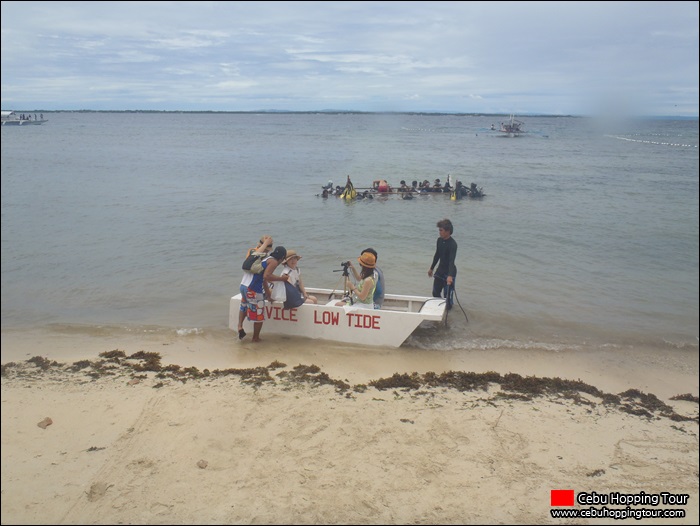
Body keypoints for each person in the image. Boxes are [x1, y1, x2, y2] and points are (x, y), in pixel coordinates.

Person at [246, 246, 288, 342]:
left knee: (256, 315)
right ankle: (255, 338)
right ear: (281, 258)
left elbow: (264, 279)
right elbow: (267, 276)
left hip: (251, 289)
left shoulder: (267, 259)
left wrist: (269, 296)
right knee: (259, 317)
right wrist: (282, 279)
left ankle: (254, 337)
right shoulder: (273, 262)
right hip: (256, 291)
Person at [237, 235, 273, 340]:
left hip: (243, 285)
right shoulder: (265, 258)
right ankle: (255, 338)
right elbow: (264, 279)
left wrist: (264, 244)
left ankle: (240, 326)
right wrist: (269, 295)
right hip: (253, 289)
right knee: (259, 315)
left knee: (244, 305)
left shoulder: (250, 252)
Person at [428, 219, 457, 310]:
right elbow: (437, 255)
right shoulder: (439, 240)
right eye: (439, 230)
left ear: (448, 231)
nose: (439, 232)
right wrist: (431, 268)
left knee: (447, 297)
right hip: (440, 270)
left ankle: (448, 315)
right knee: (435, 293)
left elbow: (452, 261)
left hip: (449, 272)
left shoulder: (453, 244)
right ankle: (439, 309)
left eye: (441, 230)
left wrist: (450, 276)